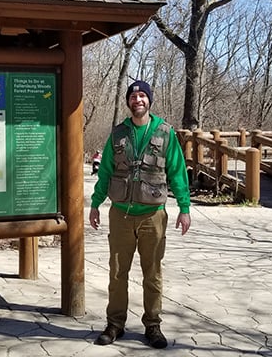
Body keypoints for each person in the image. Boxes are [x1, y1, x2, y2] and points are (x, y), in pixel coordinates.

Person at [89, 80, 191, 349]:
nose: (138, 100)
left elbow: (178, 172)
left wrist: (184, 208)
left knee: (153, 274)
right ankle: (115, 324)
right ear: (128, 102)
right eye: (133, 96)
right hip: (121, 213)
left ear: (149, 100)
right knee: (117, 273)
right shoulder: (118, 134)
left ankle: (153, 325)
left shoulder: (165, 133)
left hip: (153, 215)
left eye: (142, 95)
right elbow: (105, 172)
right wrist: (96, 204)